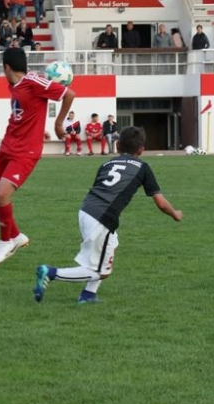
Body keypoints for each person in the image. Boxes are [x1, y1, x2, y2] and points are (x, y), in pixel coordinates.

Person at [32, 125, 183, 305]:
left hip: (86, 210)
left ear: (117, 145)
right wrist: (175, 213)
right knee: (101, 272)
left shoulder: (107, 164)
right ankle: (50, 273)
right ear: (141, 150)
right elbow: (161, 203)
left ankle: (88, 295)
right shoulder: (143, 167)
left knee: (112, 245)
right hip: (102, 218)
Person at [0, 48, 74, 264]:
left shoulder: (34, 81)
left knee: (1, 195)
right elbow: (26, 111)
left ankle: (6, 241)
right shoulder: (13, 85)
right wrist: (38, 128)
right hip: (8, 146)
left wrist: (58, 123)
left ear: (6, 67)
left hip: (25, 151)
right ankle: (16, 235)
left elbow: (69, 94)